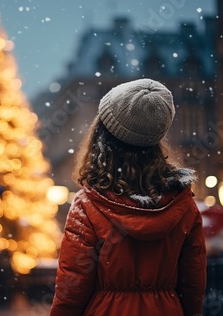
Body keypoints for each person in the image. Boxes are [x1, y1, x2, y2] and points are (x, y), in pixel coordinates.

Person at [50, 79, 207, 316]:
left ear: (102, 139)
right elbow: (193, 286)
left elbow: (72, 288)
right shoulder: (183, 205)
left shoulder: (88, 206)